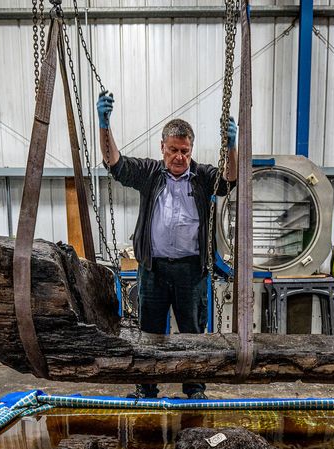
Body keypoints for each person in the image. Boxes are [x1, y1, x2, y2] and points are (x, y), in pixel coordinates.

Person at [97, 91, 238, 399]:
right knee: (149, 335)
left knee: (192, 334)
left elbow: (229, 180)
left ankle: (194, 388)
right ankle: (147, 388)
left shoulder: (202, 177)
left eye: (185, 151)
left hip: (191, 272)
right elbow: (115, 164)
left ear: (191, 150)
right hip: (154, 270)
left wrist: (231, 146)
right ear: (162, 148)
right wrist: (104, 124)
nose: (179, 157)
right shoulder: (149, 174)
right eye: (173, 150)